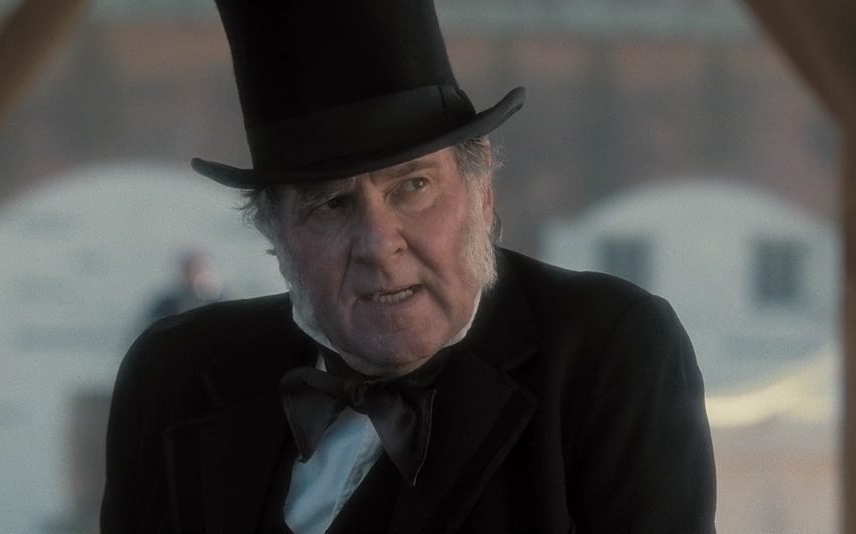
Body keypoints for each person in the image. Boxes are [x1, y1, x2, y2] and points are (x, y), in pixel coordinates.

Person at [100, 1, 716, 533]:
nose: (378, 243)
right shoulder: (177, 373)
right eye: (331, 203)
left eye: (413, 186)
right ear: (273, 230)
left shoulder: (607, 351)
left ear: (481, 192)